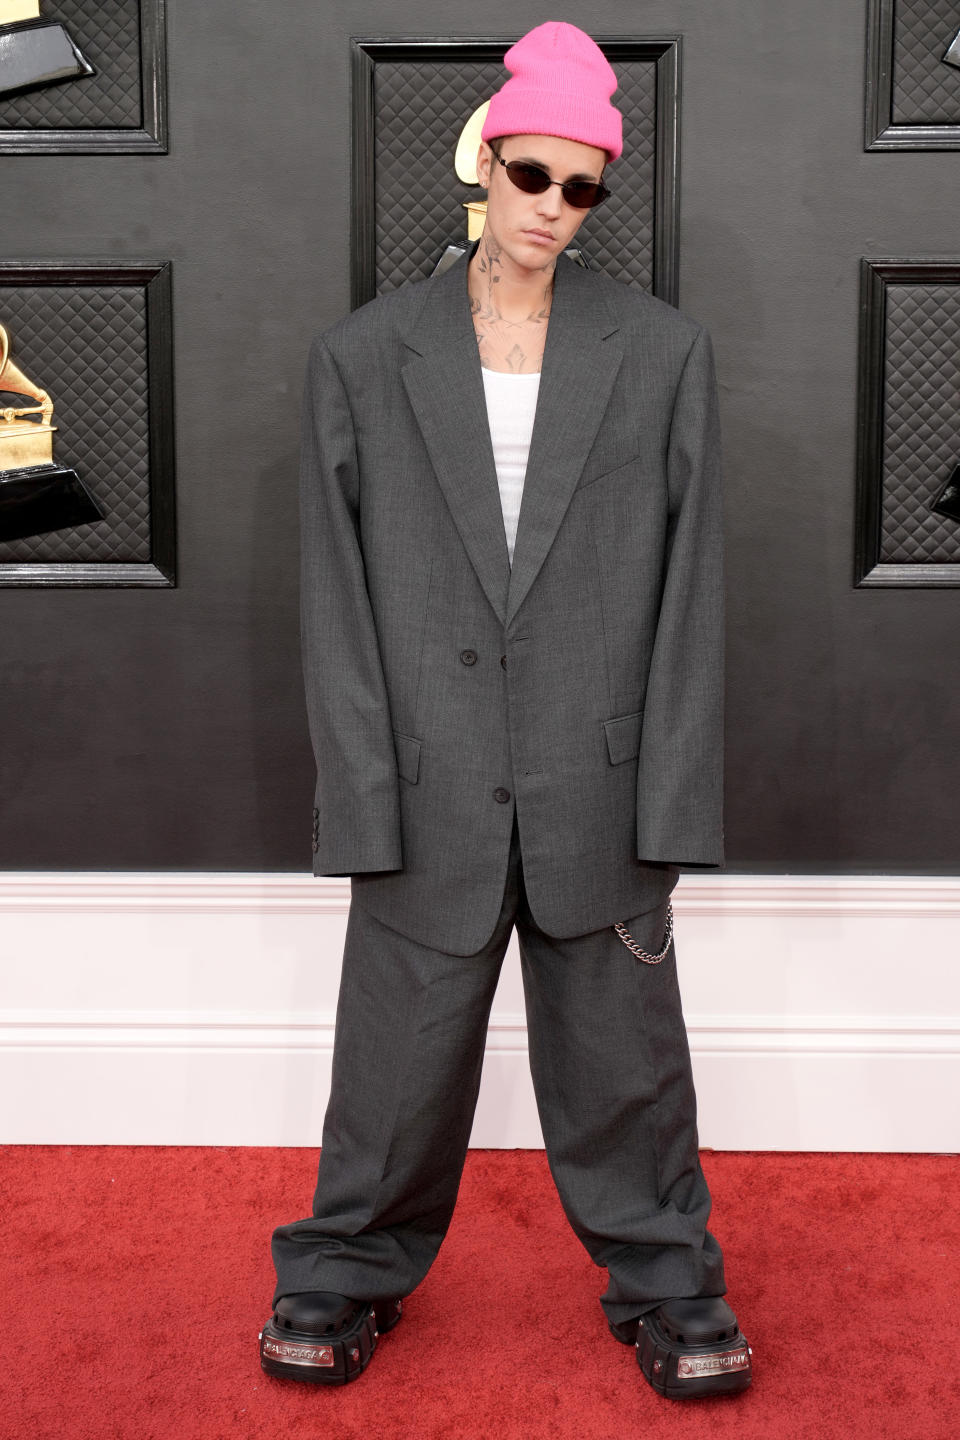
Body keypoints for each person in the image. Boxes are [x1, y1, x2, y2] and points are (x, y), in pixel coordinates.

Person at [260, 21, 752, 1401]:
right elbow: (337, 602)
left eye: (583, 188)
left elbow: (690, 593)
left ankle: (669, 1284)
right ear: (486, 163)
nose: (553, 209)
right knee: (394, 1075)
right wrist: (361, 793)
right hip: (425, 780)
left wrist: (673, 803)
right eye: (533, 176)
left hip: (600, 781)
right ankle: (340, 1272)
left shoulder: (661, 354)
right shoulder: (364, 357)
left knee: (626, 1075)